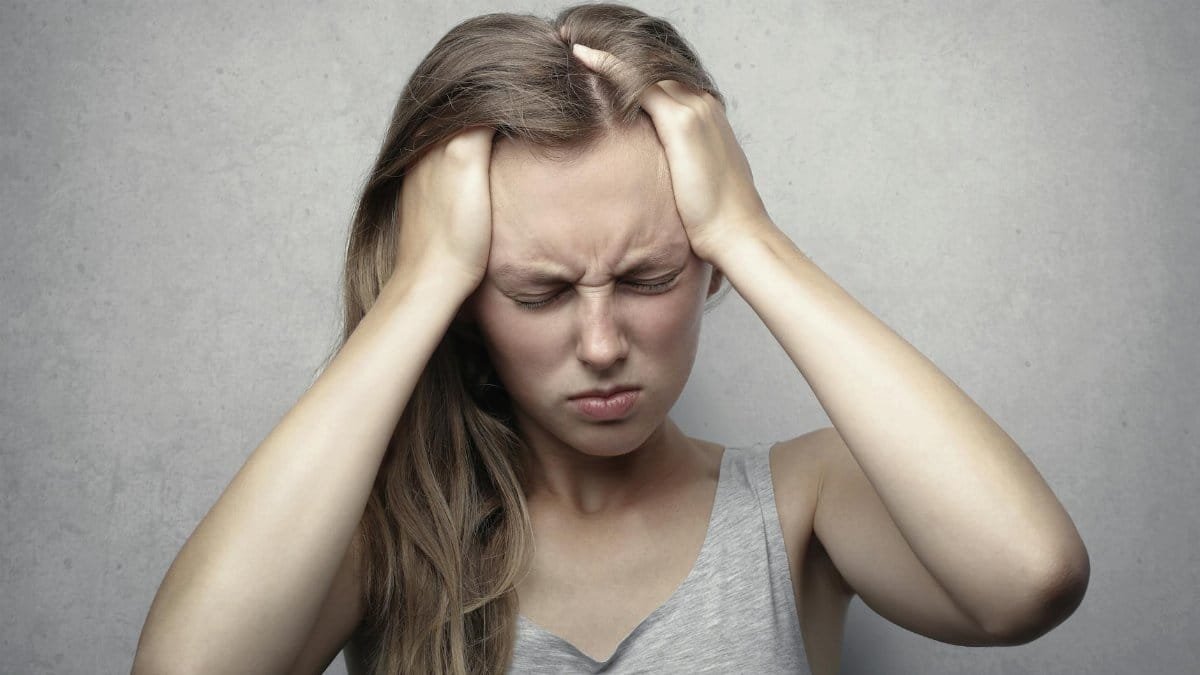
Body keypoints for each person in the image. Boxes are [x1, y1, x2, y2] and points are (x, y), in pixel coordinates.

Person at [132, 3, 1090, 674]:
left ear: (706, 265)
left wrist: (750, 235)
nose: (601, 342)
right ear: (469, 299)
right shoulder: (379, 542)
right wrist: (421, 281)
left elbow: (1029, 578)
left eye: (649, 276)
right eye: (539, 290)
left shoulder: (803, 506)